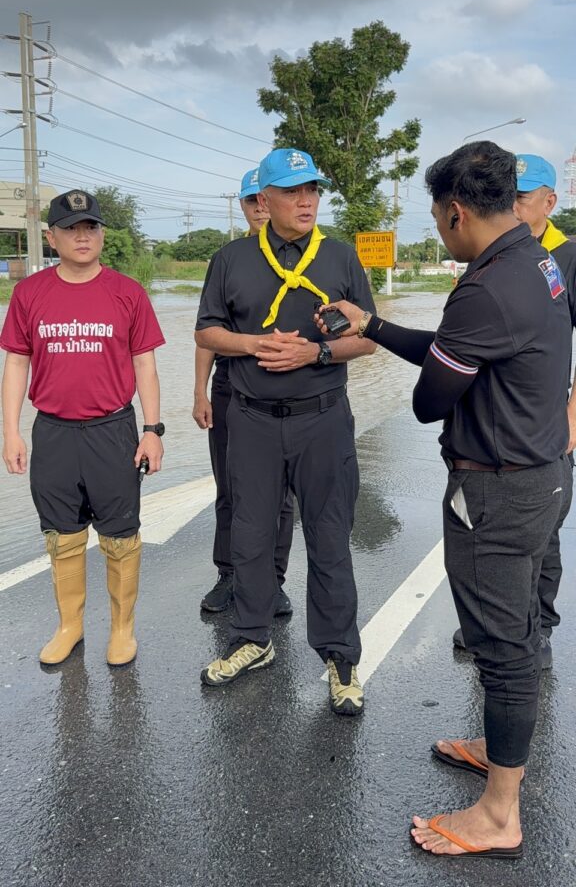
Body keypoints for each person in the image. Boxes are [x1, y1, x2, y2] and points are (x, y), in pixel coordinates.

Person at [315, 141, 572, 853]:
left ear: (456, 212)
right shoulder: (538, 262)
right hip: (543, 472)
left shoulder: (486, 288)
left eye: (436, 219)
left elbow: (431, 399)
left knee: (502, 646)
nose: (439, 230)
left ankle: (499, 815)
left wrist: (430, 363)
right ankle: (502, 751)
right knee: (520, 626)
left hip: (497, 490)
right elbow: (466, 346)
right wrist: (371, 324)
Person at [195, 147, 376, 716]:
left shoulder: (340, 257)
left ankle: (341, 657)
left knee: (329, 536)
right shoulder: (230, 259)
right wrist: (253, 344)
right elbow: (206, 332)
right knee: (250, 533)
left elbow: (368, 339)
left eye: (313, 190)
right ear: (264, 199)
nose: (306, 201)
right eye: (293, 191)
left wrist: (315, 352)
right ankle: (252, 638)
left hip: (322, 418)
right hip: (250, 419)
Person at [0, 190, 165, 666]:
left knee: (120, 535)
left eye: (90, 227)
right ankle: (69, 626)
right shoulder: (29, 294)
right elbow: (16, 363)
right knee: (62, 535)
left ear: (102, 234)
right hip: (53, 432)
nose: (82, 236)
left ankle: (121, 629)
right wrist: (11, 432)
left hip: (112, 431)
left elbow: (145, 365)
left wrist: (152, 430)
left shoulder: (127, 292)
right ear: (51, 238)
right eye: (70, 229)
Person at [452, 154, 576, 668]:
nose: (513, 205)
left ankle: (536, 628)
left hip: (544, 422)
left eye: (523, 197)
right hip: (496, 423)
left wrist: (572, 417)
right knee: (504, 543)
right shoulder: (492, 253)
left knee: (540, 536)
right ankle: (503, 624)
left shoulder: (563, 257)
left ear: (550, 201)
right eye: (509, 194)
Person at [193, 168, 294, 616]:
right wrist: (199, 392)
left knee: (281, 493)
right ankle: (229, 574)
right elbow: (206, 332)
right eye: (251, 201)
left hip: (282, 392)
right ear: (244, 205)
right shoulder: (228, 259)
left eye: (264, 199)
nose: (259, 208)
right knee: (231, 487)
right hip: (231, 387)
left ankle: (273, 578)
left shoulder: (303, 257)